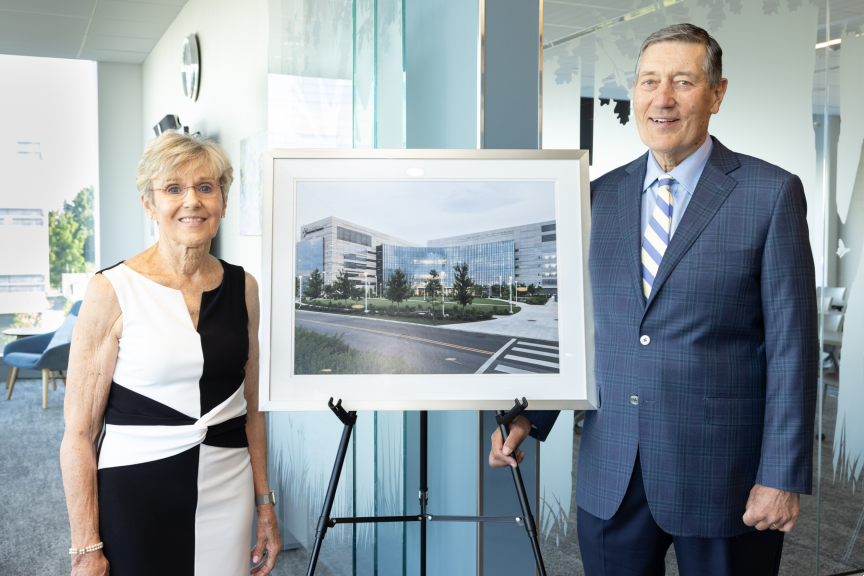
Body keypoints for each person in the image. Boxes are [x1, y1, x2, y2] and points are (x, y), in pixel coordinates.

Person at [489, 23, 817, 576]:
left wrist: (781, 474)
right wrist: (528, 417)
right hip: (612, 470)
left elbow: (793, 349)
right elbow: (578, 327)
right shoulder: (597, 196)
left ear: (716, 94)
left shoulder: (770, 194)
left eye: (683, 82)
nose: (662, 98)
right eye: (648, 82)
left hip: (725, 480)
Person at [60, 132, 281, 576]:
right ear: (149, 204)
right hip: (136, 487)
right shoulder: (112, 290)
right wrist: (85, 548)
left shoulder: (245, 288)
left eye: (206, 187)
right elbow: (79, 433)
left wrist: (265, 505)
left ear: (222, 199)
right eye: (174, 189)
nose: (192, 202)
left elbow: (252, 408)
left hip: (229, 483)